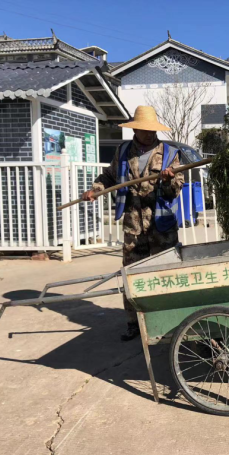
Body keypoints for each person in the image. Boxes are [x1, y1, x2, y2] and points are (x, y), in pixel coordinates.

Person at [81, 106, 184, 341]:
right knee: (132, 276)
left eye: (151, 130)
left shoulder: (169, 154)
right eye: (143, 129)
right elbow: (108, 176)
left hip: (161, 228)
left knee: (166, 276)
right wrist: (95, 190)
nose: (148, 134)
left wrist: (168, 181)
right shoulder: (124, 151)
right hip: (133, 227)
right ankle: (134, 323)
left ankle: (170, 322)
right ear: (135, 129)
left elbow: (176, 189)